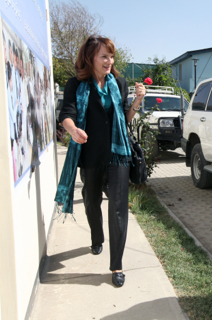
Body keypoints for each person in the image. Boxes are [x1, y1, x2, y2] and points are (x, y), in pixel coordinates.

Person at [55, 35, 145, 287]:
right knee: (91, 201)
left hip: (118, 153)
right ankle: (97, 238)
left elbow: (124, 119)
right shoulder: (75, 84)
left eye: (111, 56)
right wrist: (73, 130)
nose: (109, 61)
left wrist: (137, 101)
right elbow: (67, 114)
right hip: (90, 153)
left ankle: (116, 265)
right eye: (103, 56)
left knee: (118, 206)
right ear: (90, 58)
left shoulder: (119, 82)